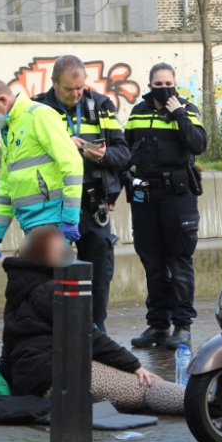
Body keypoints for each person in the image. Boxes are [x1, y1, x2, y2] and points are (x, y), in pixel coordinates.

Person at [0, 226, 185, 414]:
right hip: (56, 376)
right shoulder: (53, 289)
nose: (67, 252)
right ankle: (203, 402)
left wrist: (7, 387)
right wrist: (134, 365)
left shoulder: (19, 288)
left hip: (31, 379)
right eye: (59, 249)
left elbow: (8, 346)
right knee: (146, 386)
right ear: (43, 257)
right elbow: (88, 336)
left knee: (125, 380)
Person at [32, 55, 130, 333]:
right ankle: (50, 332)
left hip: (92, 204)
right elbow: (25, 157)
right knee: (47, 272)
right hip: (51, 203)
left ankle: (96, 330)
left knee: (98, 274)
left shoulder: (100, 105)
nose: (75, 94)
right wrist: (62, 144)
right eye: (68, 89)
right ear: (53, 83)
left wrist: (103, 155)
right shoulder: (37, 108)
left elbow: (123, 153)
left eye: (80, 88)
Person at [125, 64, 206, 350]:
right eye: (158, 83)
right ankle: (157, 325)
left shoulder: (188, 109)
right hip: (145, 197)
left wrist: (179, 114)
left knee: (179, 262)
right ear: (150, 85)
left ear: (175, 83)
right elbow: (127, 150)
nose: (164, 87)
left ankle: (182, 326)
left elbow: (198, 145)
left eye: (169, 82)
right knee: (153, 264)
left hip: (178, 196)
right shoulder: (138, 112)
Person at [0, 77, 83, 249]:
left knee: (44, 274)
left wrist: (70, 217)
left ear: (2, 100)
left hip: (51, 219)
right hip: (33, 222)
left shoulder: (38, 116)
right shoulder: (9, 128)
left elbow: (72, 164)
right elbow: (8, 184)